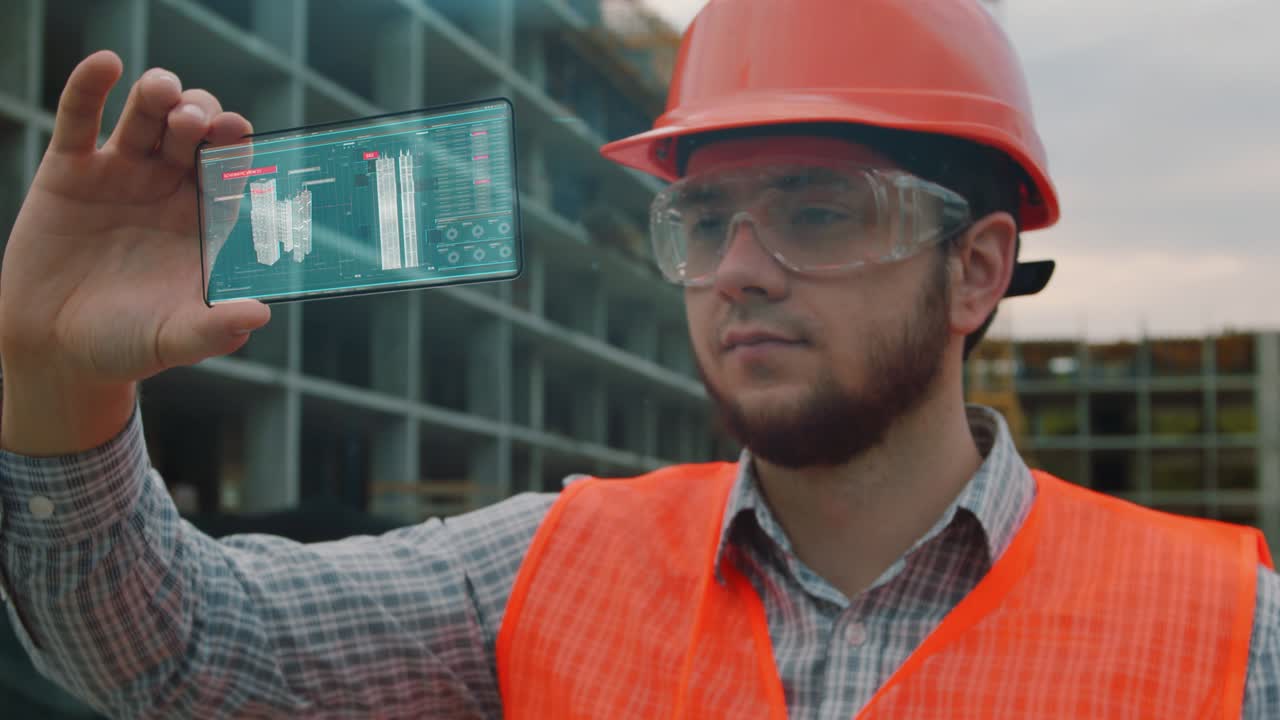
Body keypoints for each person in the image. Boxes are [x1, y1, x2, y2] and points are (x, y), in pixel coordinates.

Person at [0, 0, 1275, 717]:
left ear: (977, 270)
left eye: (818, 212)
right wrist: (58, 377)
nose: (739, 268)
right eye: (706, 221)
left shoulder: (1231, 642)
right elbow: (169, 651)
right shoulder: (541, 574)